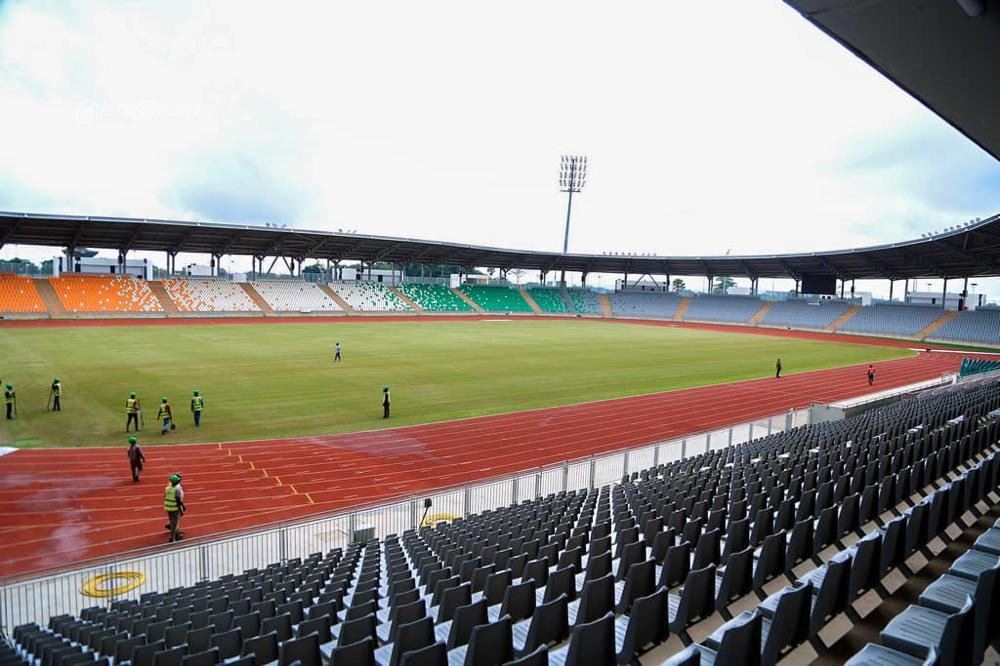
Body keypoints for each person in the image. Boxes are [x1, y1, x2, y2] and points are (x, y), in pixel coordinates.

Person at [163, 474, 186, 543]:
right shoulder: (177, 489)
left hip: (168, 507)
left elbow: (165, 496)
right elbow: (178, 499)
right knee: (174, 523)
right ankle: (172, 538)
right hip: (175, 507)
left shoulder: (167, 488)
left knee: (172, 520)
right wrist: (182, 507)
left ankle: (177, 533)